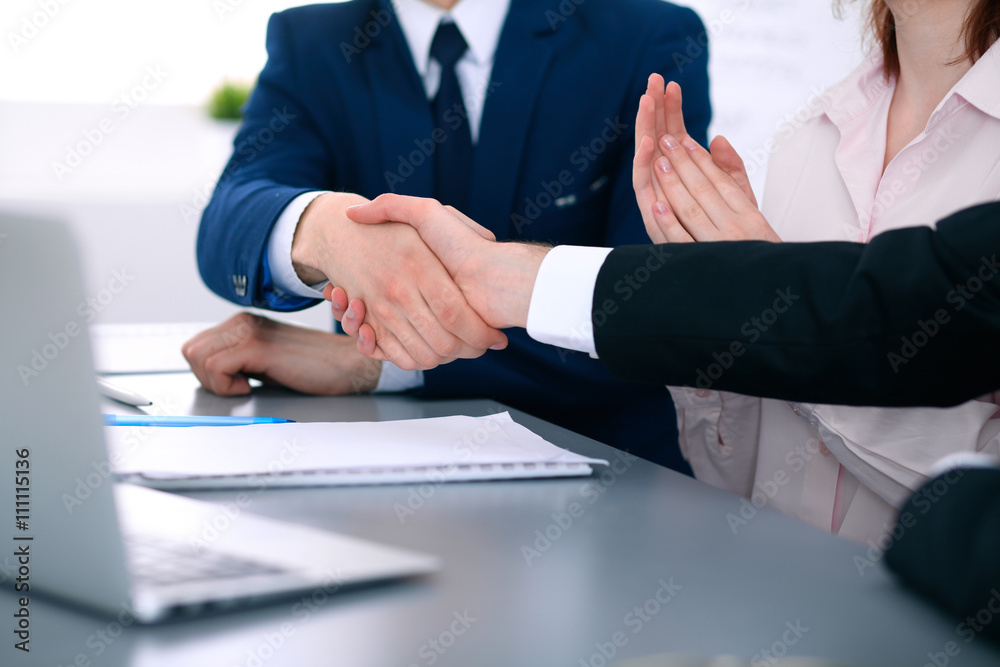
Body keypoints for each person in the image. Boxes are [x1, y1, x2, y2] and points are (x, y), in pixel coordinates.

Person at [185, 0, 713, 470]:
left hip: (612, 479)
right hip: (380, 468)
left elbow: (649, 309)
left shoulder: (645, 34)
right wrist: (323, 229)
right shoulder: (313, 40)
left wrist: (369, 365)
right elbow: (230, 215)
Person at [626, 0, 1000, 544]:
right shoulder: (805, 139)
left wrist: (791, 322)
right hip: (769, 597)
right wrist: (712, 305)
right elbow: (731, 477)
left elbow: (982, 499)